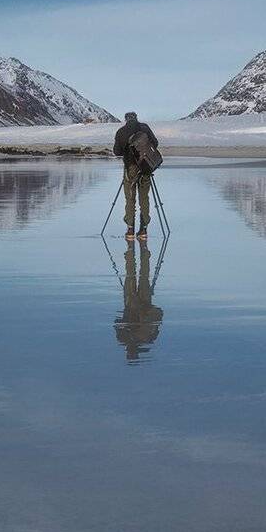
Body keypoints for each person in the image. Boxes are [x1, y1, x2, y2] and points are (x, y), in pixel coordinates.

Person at [112, 111, 159, 240]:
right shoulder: (144, 127)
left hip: (130, 168)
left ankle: (130, 230)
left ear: (126, 119)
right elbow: (155, 143)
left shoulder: (121, 131)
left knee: (130, 198)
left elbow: (117, 152)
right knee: (144, 197)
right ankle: (143, 230)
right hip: (146, 168)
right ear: (136, 118)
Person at [115, 240, 165, 361]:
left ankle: (135, 250)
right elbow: (158, 315)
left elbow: (117, 322)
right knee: (142, 276)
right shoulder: (147, 338)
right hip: (143, 304)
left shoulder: (127, 339)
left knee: (134, 275)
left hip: (133, 304)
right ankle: (141, 250)